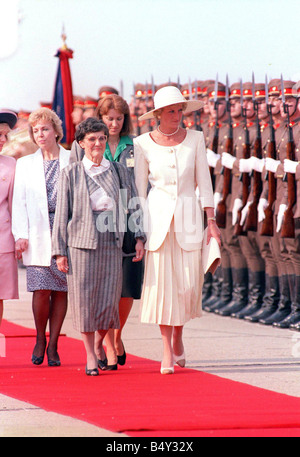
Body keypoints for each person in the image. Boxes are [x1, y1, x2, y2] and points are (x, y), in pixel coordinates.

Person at [134, 86, 221, 374]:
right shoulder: (142, 143)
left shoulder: (195, 139)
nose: (176, 115)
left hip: (189, 219)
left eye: (179, 109)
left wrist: (211, 221)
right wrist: (139, 230)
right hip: (157, 221)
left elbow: (204, 181)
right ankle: (166, 351)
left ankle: (179, 335)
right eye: (171, 110)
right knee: (163, 289)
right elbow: (139, 191)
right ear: (157, 114)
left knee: (185, 286)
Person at [52, 117, 145, 375]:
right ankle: (90, 354)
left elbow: (134, 204)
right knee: (84, 301)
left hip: (111, 242)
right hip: (81, 244)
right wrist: (60, 251)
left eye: (102, 138)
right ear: (80, 143)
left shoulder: (118, 170)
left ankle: (98, 341)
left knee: (107, 302)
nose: (97, 143)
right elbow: (62, 214)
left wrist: (139, 237)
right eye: (91, 139)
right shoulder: (71, 173)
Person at [12, 108, 70, 366]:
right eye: (35, 130)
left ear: (56, 131)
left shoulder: (73, 160)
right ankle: (39, 338)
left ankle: (55, 343)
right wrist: (20, 235)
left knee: (60, 288)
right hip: (36, 230)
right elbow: (19, 203)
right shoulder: (25, 164)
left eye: (45, 129)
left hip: (65, 229)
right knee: (40, 288)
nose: (40, 134)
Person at [0, 109, 19, 329]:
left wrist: (18, 238)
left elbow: (14, 205)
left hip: (3, 240)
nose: (3, 140)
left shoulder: (11, 164)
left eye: (6, 136)